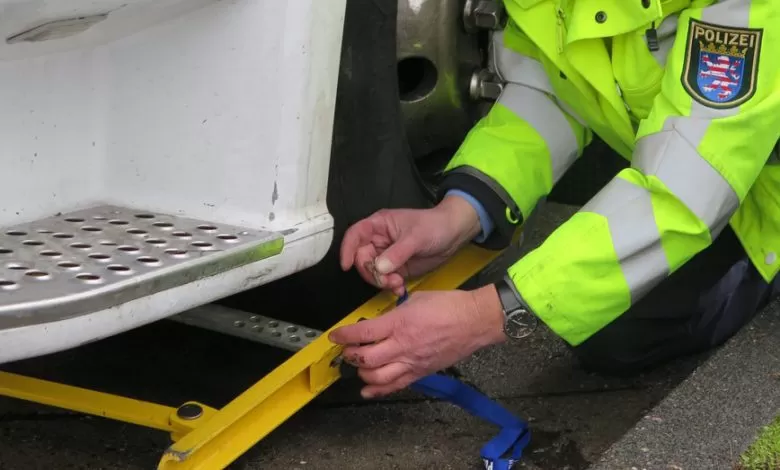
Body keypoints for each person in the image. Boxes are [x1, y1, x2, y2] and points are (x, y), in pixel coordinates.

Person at [328, 0, 780, 399]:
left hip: (760, 204)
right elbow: (553, 91)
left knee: (610, 330)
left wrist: (486, 315)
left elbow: (684, 190)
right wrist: (456, 215)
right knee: (589, 304)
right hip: (698, 173)